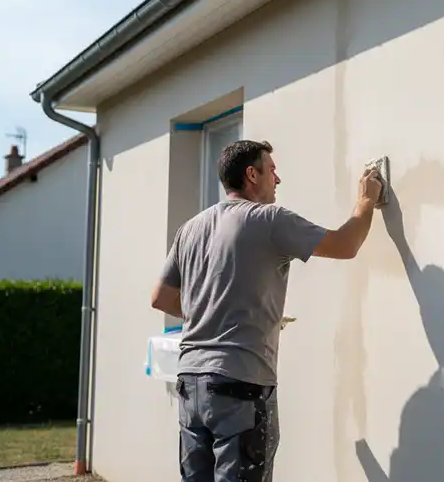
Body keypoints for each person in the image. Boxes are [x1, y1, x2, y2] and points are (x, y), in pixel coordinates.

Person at [150, 139, 382, 482]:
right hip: (239, 385)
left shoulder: (191, 228)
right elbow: (346, 245)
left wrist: (216, 312)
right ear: (251, 174)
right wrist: (366, 201)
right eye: (271, 169)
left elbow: (160, 298)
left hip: (190, 384)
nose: (278, 178)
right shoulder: (269, 220)